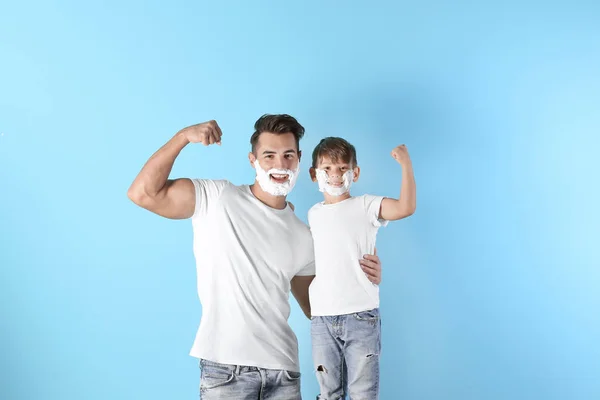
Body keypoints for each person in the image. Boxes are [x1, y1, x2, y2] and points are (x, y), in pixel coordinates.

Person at [127, 115, 383, 399]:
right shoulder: (217, 197)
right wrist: (183, 137)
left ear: (299, 160)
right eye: (269, 155)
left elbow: (319, 308)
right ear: (253, 160)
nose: (280, 164)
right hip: (226, 373)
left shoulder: (304, 235)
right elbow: (143, 193)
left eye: (288, 155)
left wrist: (361, 277)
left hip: (284, 375)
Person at [307, 137, 416, 400]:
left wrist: (405, 164)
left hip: (360, 316)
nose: (335, 175)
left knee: (363, 394)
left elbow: (405, 207)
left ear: (355, 172)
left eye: (343, 168)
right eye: (327, 169)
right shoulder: (313, 214)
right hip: (322, 318)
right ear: (314, 174)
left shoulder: (366, 205)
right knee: (328, 394)